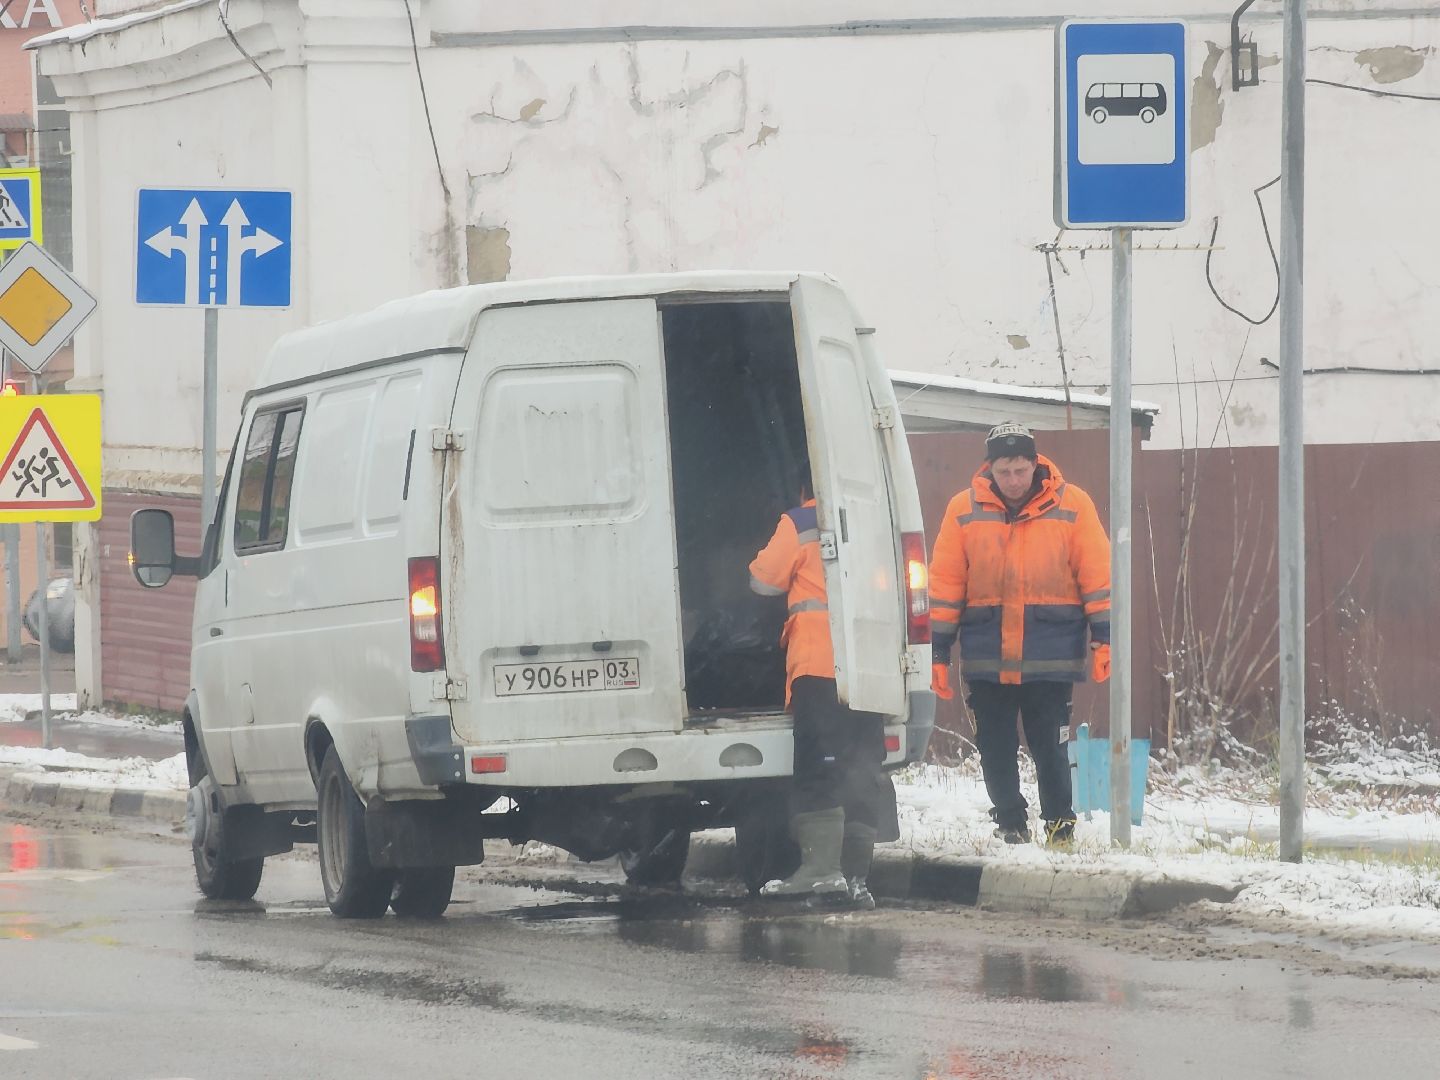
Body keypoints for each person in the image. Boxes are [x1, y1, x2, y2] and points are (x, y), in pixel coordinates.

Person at [928, 422, 1111, 847]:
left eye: (1021, 470)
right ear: (989, 468)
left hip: (1051, 653)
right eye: (1004, 471)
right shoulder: (963, 509)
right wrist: (938, 650)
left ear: (1035, 464)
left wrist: (1105, 638)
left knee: (1050, 746)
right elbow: (946, 584)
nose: (1013, 481)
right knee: (994, 745)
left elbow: (1097, 576)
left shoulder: (1073, 505)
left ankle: (1060, 826)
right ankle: (1010, 821)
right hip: (987, 652)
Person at [748, 477, 891, 908]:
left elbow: (763, 580)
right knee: (862, 767)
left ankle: (820, 870)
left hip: (818, 666)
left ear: (802, 488)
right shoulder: (878, 518)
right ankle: (856, 877)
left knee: (817, 767)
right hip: (874, 666)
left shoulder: (801, 520)